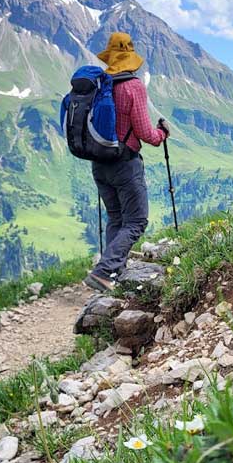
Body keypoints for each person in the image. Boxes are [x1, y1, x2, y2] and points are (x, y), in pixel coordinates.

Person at [84, 32, 170, 292]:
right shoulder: (133, 87)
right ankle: (103, 271)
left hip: (99, 163)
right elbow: (146, 133)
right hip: (125, 162)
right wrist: (162, 133)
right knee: (136, 221)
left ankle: (115, 272)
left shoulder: (99, 84)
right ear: (131, 57)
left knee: (116, 218)